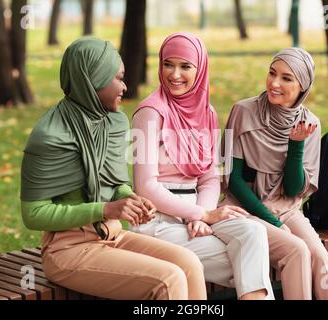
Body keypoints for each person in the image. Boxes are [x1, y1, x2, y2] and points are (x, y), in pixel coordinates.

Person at [20, 37, 207, 300]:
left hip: (113, 236)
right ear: (92, 79)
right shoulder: (50, 136)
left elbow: (114, 182)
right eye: (117, 78)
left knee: (188, 263)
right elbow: (34, 214)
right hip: (69, 249)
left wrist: (128, 198)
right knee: (168, 279)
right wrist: (105, 209)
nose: (125, 86)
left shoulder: (113, 122)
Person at [131, 32, 274, 300]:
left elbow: (209, 179)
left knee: (253, 232)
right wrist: (199, 215)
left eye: (185, 66)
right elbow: (145, 186)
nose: (175, 74)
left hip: (198, 213)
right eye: (168, 64)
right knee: (247, 261)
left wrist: (202, 214)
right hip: (156, 221)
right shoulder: (149, 112)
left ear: (200, 68)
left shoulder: (207, 114)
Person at [221, 47, 328, 300]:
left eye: (287, 78)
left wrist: (296, 144)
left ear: (303, 86)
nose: (275, 83)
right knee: (297, 250)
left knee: (322, 259)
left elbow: (292, 190)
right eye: (272, 73)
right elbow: (232, 180)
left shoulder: (310, 122)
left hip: (287, 208)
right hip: (244, 209)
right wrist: (274, 221)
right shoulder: (242, 111)